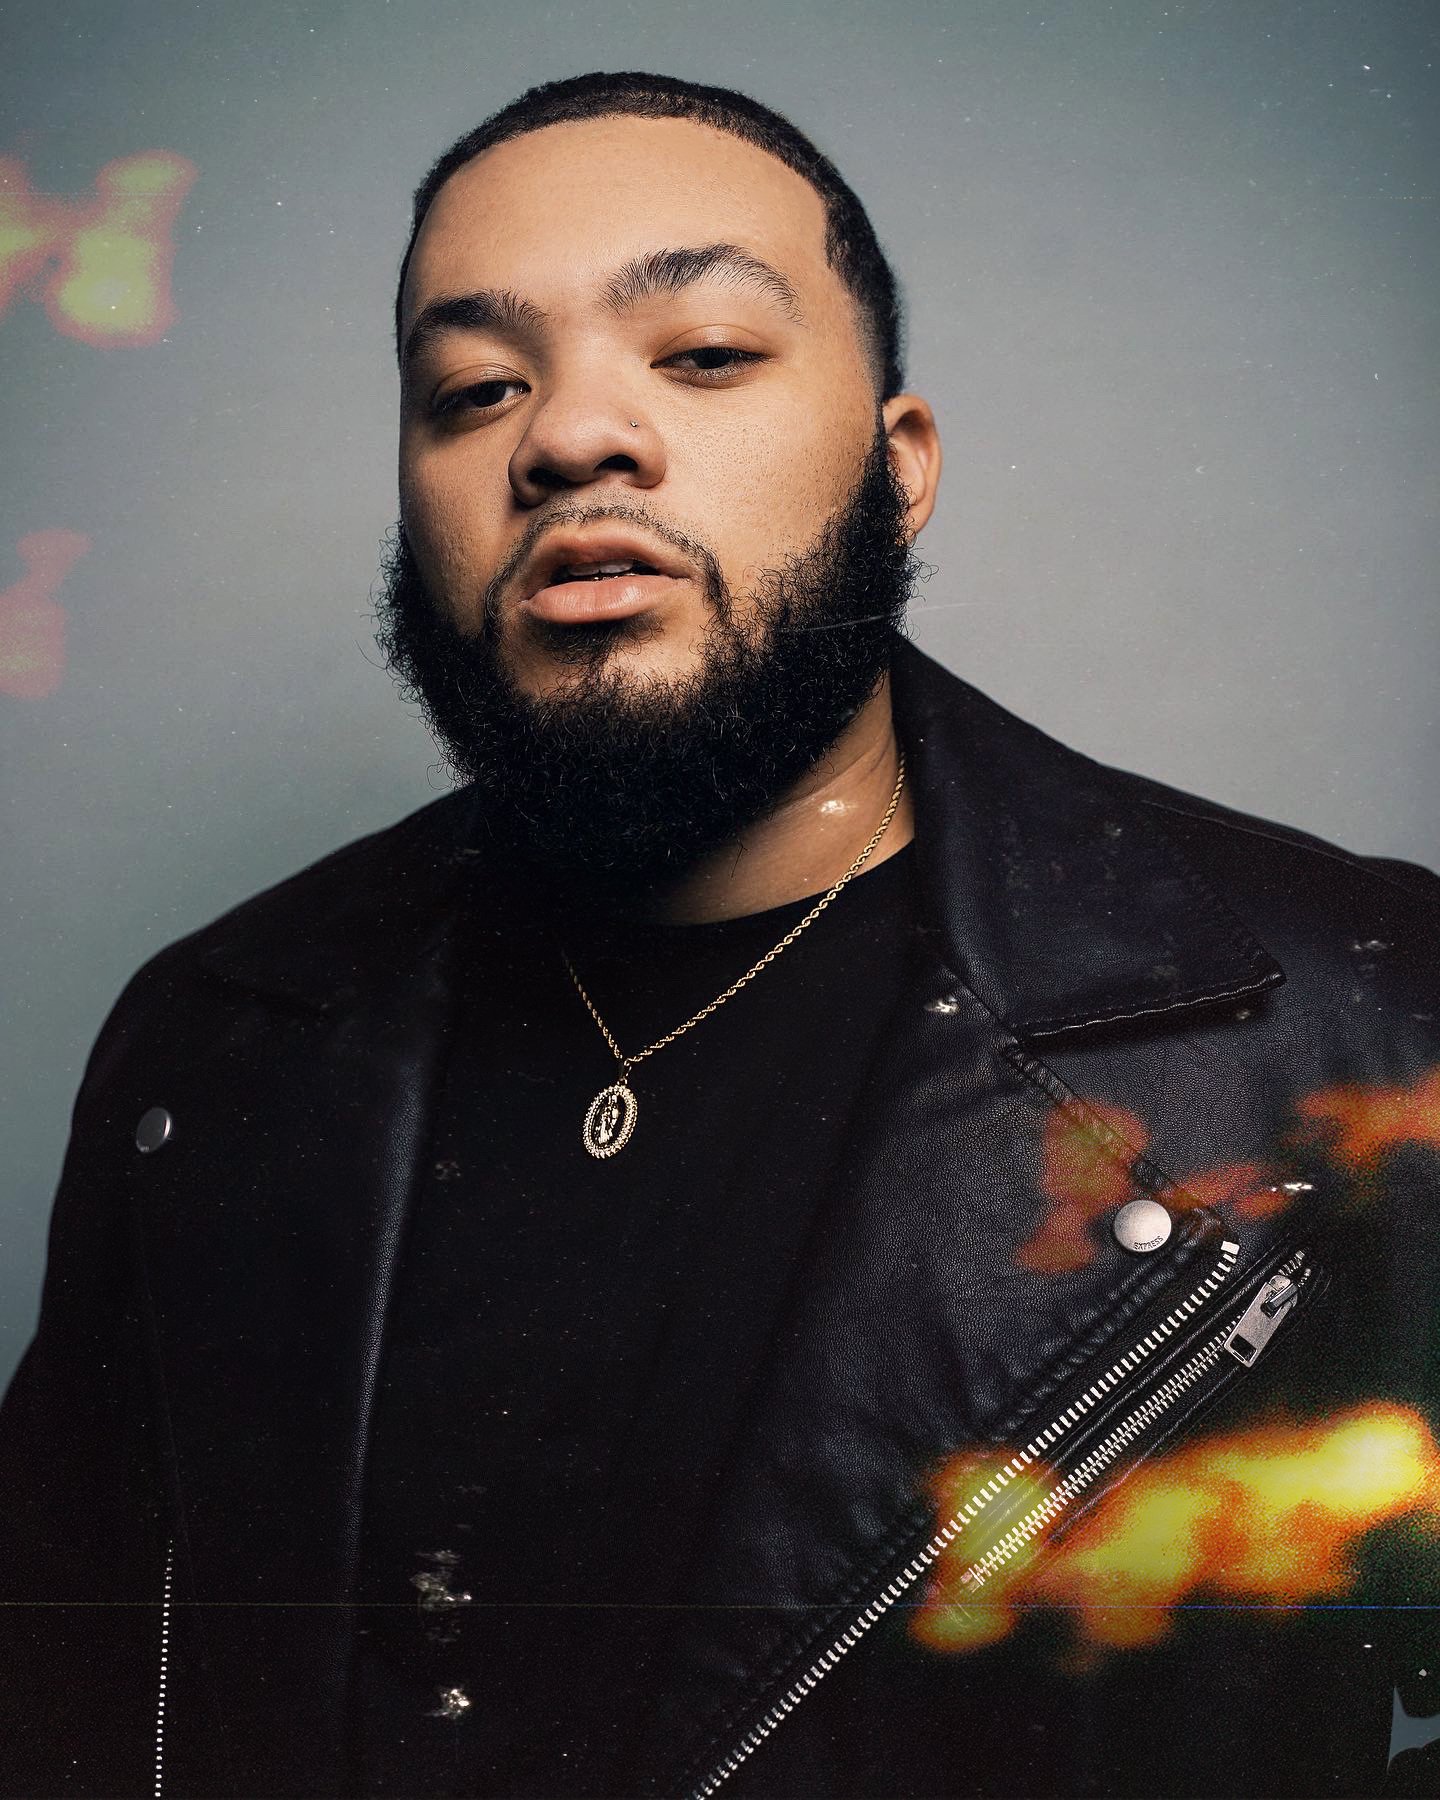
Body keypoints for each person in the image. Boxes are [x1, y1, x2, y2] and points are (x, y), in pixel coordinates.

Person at [2, 69, 1437, 1800]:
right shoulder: (212, 1044)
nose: (568, 438)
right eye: (475, 389)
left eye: (700, 353)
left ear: (898, 467)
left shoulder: (1354, 1027)